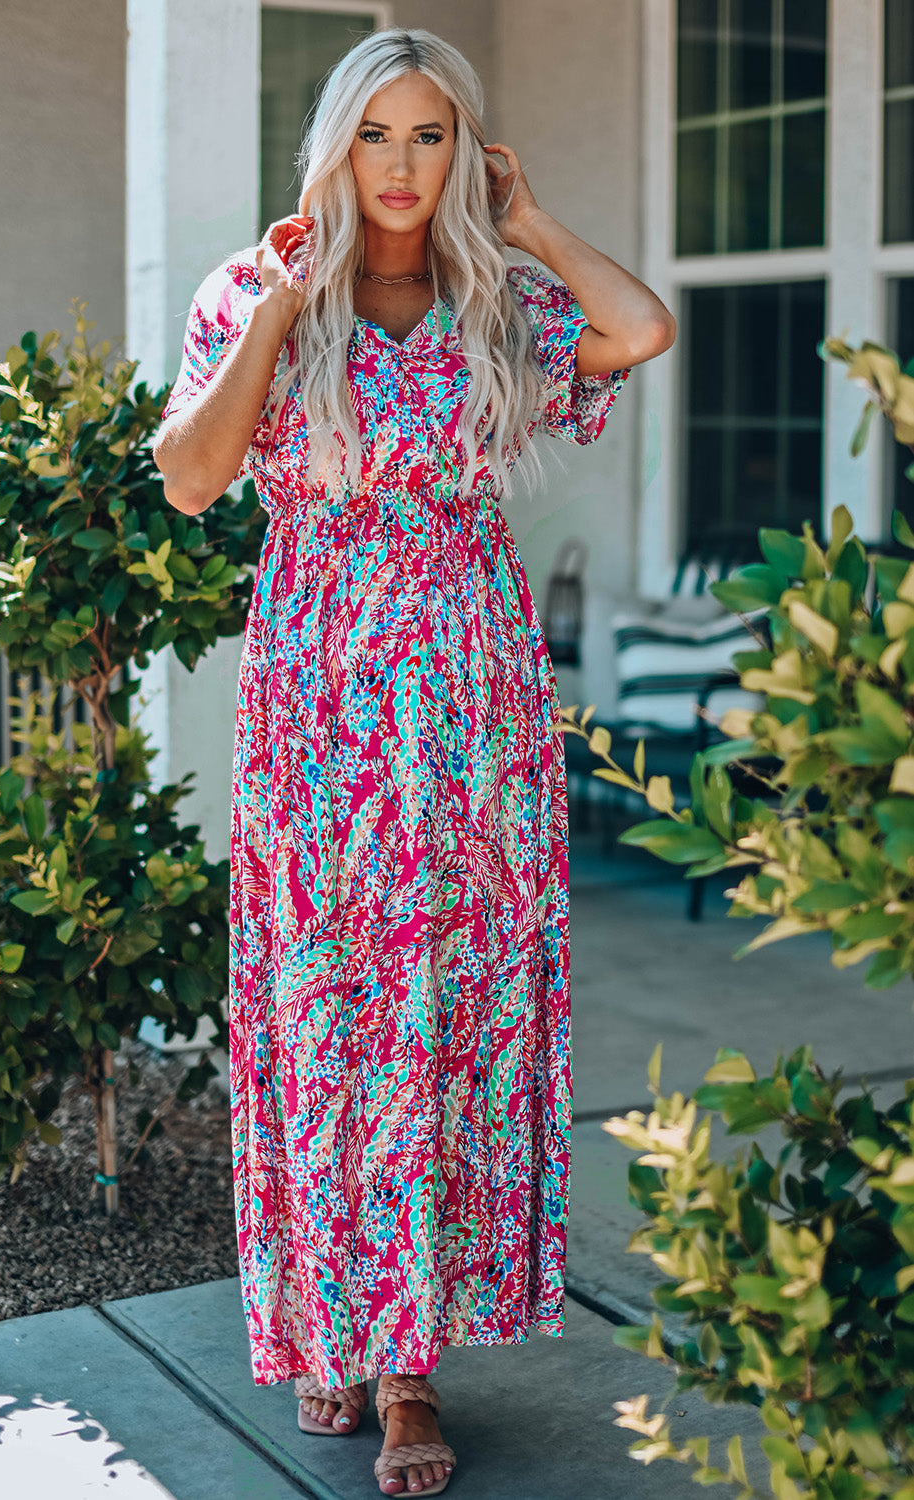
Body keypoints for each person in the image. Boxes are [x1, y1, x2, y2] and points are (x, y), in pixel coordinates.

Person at [153, 26, 675, 1499]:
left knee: (443, 1014)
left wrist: (531, 225)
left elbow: (635, 331)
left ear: (464, 152)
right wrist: (288, 298)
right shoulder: (254, 291)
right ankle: (332, 1318)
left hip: (470, 707)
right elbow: (193, 478)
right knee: (326, 1021)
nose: (399, 166)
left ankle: (405, 1378)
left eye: (428, 136)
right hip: (319, 710)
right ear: (333, 147)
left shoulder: (499, 296)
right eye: (374, 135)